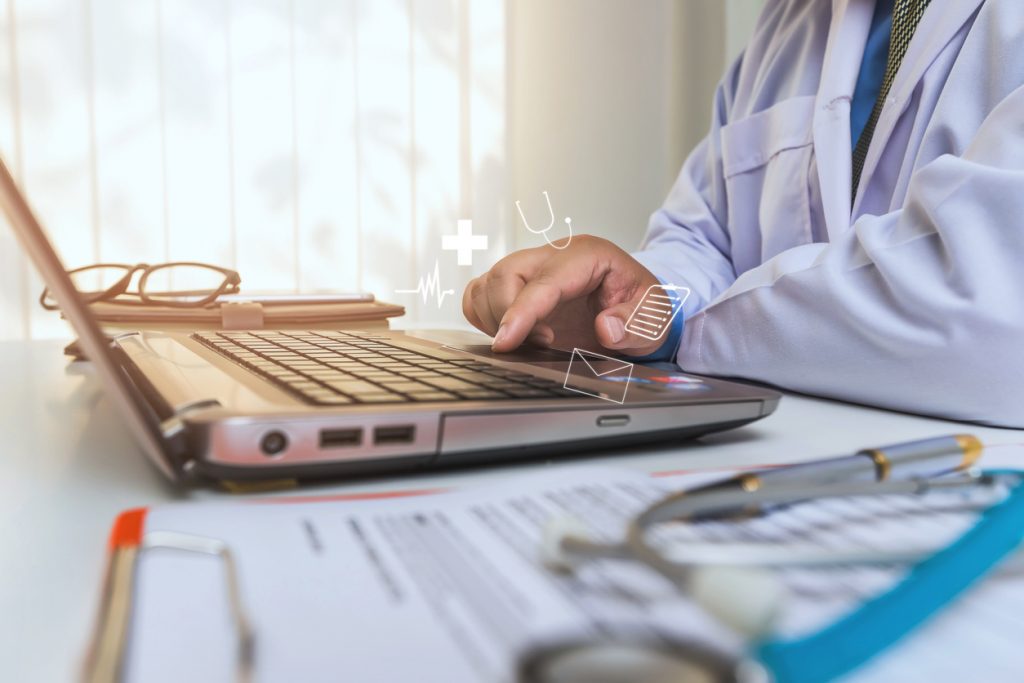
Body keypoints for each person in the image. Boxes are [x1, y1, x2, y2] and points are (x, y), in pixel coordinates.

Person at [463, 0, 1024, 428]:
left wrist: (683, 332)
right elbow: (705, 237)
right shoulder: (790, 22)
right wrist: (635, 305)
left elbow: (988, 307)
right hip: (785, 453)